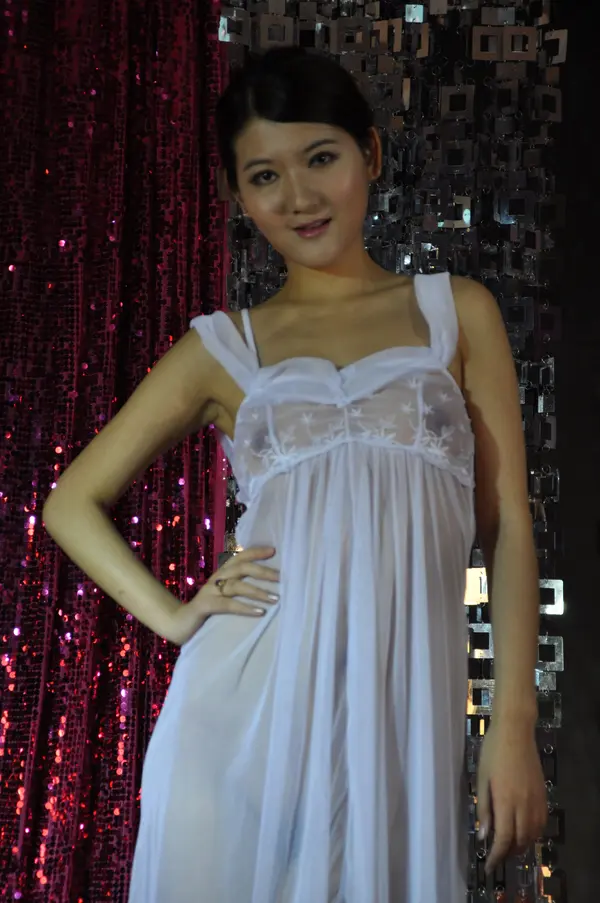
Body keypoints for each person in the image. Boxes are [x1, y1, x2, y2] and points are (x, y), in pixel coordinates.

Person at [43, 47, 547, 903]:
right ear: (237, 194)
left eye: (321, 158)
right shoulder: (223, 347)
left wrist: (514, 722)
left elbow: (507, 531)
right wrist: (176, 618)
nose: (299, 197)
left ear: (370, 154)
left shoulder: (455, 312)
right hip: (238, 731)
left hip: (398, 734)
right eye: (265, 176)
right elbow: (69, 503)